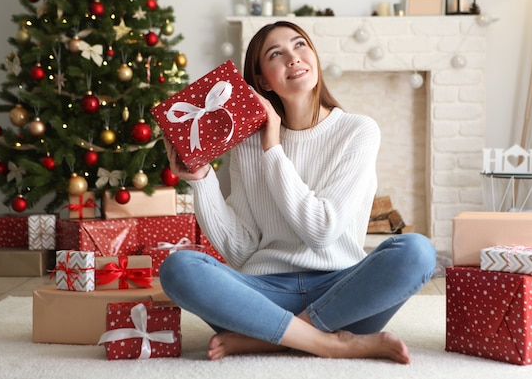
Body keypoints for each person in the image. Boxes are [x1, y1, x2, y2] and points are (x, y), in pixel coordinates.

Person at [159, 21, 437, 364]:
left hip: (343, 295)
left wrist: (273, 148)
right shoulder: (246, 145)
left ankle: (272, 339)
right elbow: (242, 251)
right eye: (276, 54)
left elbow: (321, 231)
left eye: (300, 45)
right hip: (265, 294)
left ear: (314, 57)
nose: (293, 58)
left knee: (417, 251)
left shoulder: (358, 131)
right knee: (179, 267)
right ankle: (330, 344)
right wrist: (201, 180)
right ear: (262, 80)